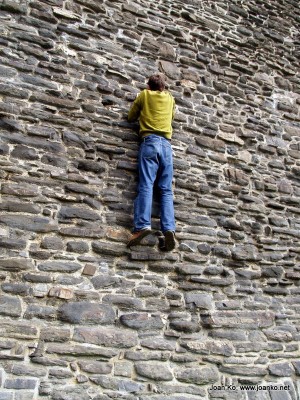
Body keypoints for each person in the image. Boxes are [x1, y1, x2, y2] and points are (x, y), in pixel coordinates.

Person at [127, 74, 176, 251]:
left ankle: (142, 226)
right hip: (167, 146)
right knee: (166, 189)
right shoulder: (170, 99)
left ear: (149, 86)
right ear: (163, 87)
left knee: (146, 184)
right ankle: (169, 228)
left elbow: (131, 116)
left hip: (150, 142)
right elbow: (172, 117)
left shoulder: (144, 95)